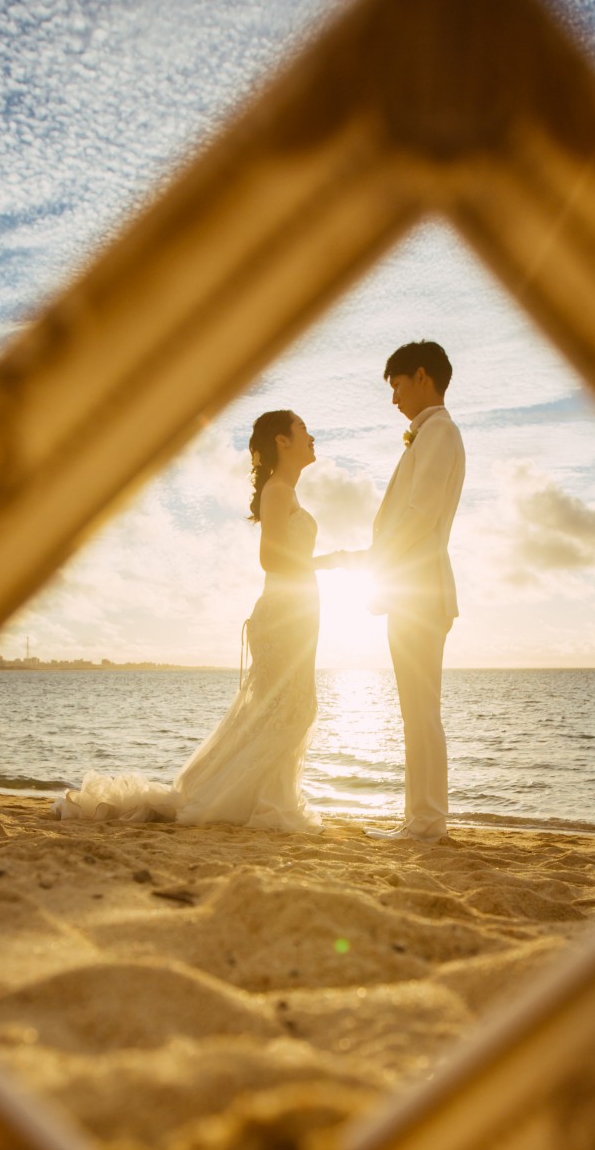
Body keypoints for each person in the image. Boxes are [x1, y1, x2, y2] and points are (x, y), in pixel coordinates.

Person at [58, 411, 344, 832]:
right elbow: (269, 558)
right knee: (290, 709)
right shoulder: (278, 490)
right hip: (284, 616)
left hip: (296, 615)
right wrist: (328, 561)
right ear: (282, 441)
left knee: (286, 710)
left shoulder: (287, 491)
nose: (312, 435)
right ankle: (258, 802)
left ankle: (262, 798)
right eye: (303, 429)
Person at [362, 340, 466, 843]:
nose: (394, 398)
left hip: (420, 589)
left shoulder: (440, 432)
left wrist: (377, 561)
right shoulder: (429, 435)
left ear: (422, 376)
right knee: (416, 708)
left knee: (420, 709)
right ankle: (421, 817)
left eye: (397, 386)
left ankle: (427, 820)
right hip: (415, 589)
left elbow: (420, 513)